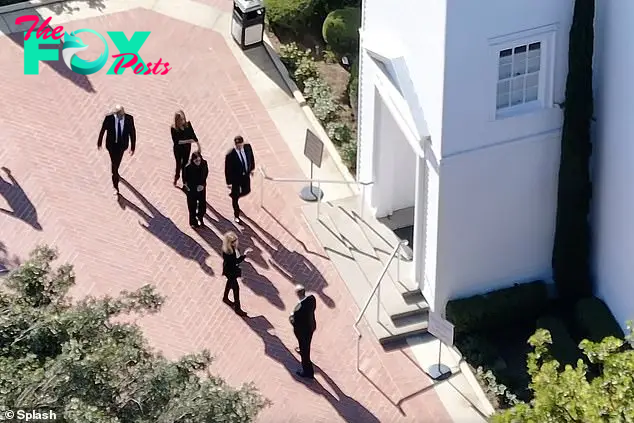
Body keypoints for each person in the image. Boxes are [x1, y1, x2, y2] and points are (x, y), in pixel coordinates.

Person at [97, 105, 136, 196]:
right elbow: (103, 130)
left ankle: (115, 178)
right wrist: (99, 142)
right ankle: (115, 180)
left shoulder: (129, 119)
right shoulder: (109, 118)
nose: (121, 117)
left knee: (116, 163)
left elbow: (132, 133)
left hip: (122, 146)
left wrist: (133, 147)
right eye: (119, 115)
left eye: (122, 115)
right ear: (115, 114)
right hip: (111, 145)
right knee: (114, 163)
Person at [224, 135, 255, 224]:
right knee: (235, 198)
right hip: (236, 179)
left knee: (247, 190)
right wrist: (229, 182)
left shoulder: (248, 147)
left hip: (246, 175)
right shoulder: (230, 155)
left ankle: (235, 196)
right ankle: (236, 215)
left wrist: (252, 168)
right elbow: (227, 169)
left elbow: (251, 158)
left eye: (240, 144)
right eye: (237, 145)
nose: (239, 146)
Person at [289, 284, 317, 379]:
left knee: (305, 352)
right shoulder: (312, 299)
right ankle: (302, 349)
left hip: (303, 331)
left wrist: (291, 317)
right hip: (311, 326)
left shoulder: (298, 309)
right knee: (306, 344)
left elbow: (294, 322)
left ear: (297, 294)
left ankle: (308, 372)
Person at [221, 231, 251, 316]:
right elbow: (236, 261)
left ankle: (225, 298)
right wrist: (244, 255)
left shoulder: (227, 248)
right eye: (234, 241)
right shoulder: (230, 252)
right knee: (236, 289)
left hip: (228, 270)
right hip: (231, 272)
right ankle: (238, 309)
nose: (236, 242)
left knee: (229, 283)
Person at [170, 110, 199, 186]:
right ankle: (177, 176)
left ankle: (184, 182)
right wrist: (188, 141)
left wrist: (198, 145)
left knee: (185, 165)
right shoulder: (173, 129)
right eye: (180, 120)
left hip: (186, 149)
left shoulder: (188, 125)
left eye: (183, 119)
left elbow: (193, 136)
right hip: (178, 150)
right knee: (178, 164)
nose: (182, 121)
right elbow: (177, 141)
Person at [182, 151, 208, 228]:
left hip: (201, 188)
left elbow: (206, 173)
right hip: (192, 189)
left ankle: (200, 217)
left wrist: (203, 185)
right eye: (196, 161)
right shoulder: (188, 167)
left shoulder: (204, 163)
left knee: (202, 205)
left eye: (199, 160)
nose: (198, 162)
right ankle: (193, 222)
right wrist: (187, 186)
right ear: (193, 160)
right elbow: (184, 178)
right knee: (192, 206)